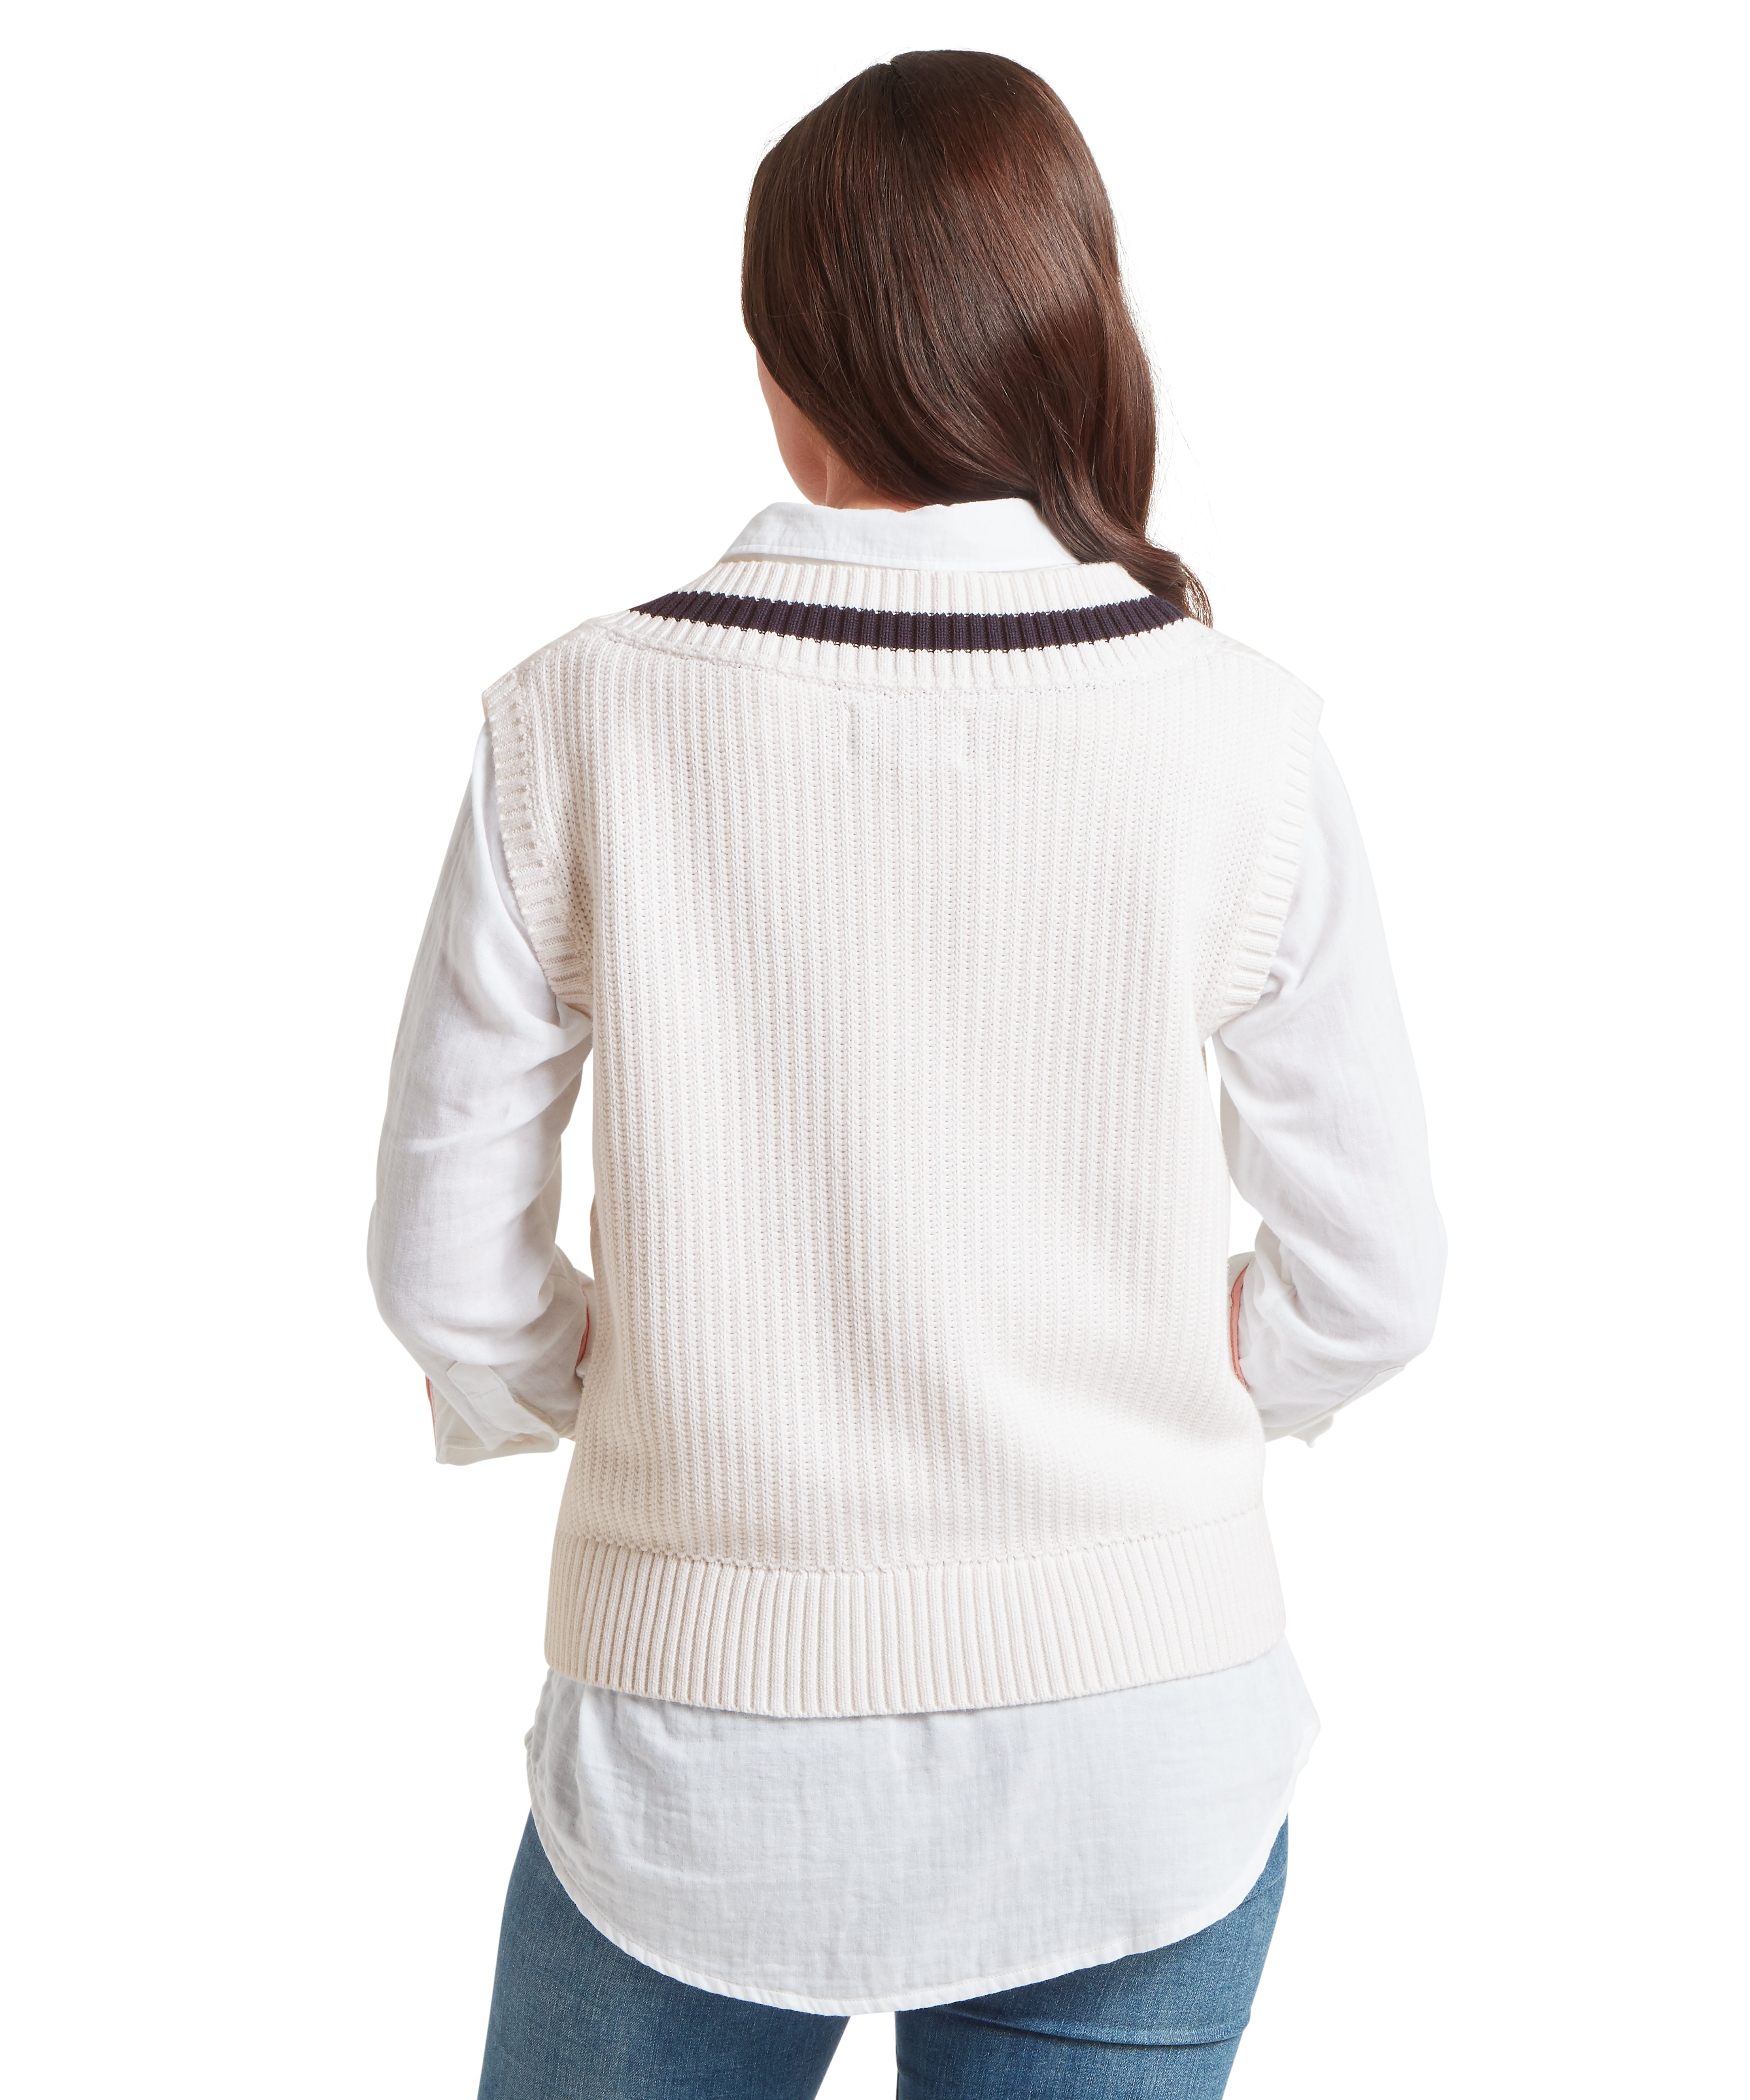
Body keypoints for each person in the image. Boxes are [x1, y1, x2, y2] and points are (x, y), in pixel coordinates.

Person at [368, 48, 1445, 2100]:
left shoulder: (578, 718)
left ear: (779, 369)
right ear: (1073, 337)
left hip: (694, 1758)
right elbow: (1376, 1281)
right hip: (1144, 1748)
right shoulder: (1238, 733)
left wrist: (603, 1384)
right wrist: (1208, 1375)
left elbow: (443, 1271)